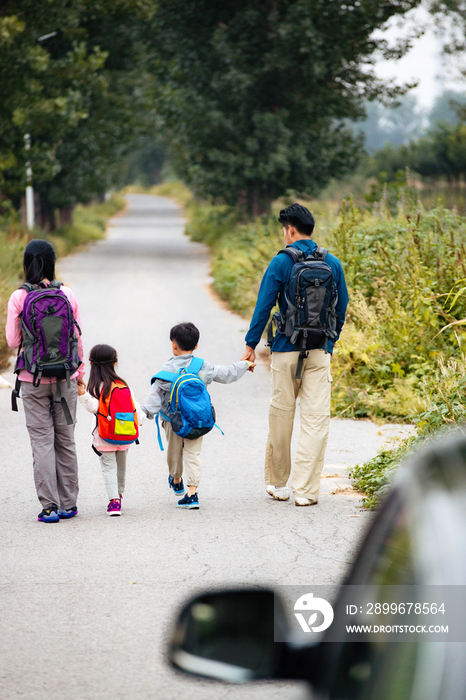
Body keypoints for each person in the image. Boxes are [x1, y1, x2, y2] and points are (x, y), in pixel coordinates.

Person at [241, 204, 348, 506]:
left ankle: (279, 484)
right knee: (315, 420)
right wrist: (330, 341)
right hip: (319, 351)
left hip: (286, 350)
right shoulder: (333, 263)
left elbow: (263, 307)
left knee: (281, 415)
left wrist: (251, 346)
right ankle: (306, 491)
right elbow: (341, 309)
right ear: (311, 229)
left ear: (290, 229)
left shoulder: (281, 262)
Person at [6, 239, 84, 523]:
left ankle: (49, 507)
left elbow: (13, 341)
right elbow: (76, 337)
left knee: (42, 441)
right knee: (65, 440)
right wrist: (80, 373)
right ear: (52, 262)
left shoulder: (19, 298)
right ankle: (69, 505)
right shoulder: (67, 294)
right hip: (65, 377)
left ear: (27, 263)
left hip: (33, 380)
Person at [142, 322, 255, 510]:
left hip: (173, 421)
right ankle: (192, 494)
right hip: (197, 420)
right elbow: (227, 373)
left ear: (173, 345)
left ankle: (176, 479)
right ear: (196, 346)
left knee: (174, 452)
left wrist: (143, 414)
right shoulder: (202, 366)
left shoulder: (166, 370)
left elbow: (153, 399)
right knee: (193, 454)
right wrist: (245, 364)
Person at [77, 344, 146, 516]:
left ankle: (113, 501)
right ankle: (119, 494)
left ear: (91, 364)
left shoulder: (96, 386)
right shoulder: (122, 385)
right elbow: (134, 406)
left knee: (109, 468)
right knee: (121, 467)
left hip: (104, 435)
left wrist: (82, 394)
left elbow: (95, 407)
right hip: (125, 435)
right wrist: (141, 420)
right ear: (115, 363)